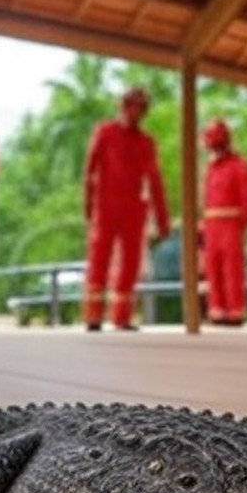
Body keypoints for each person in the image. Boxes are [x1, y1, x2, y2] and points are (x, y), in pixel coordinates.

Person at [82, 86, 170, 332]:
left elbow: (155, 181)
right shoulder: (105, 132)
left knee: (131, 262)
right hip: (106, 205)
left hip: (133, 208)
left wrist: (162, 219)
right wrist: (88, 204)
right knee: (99, 258)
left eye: (141, 108)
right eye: (132, 105)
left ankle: (121, 317)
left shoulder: (146, 142)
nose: (136, 112)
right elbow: (90, 170)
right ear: (122, 106)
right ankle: (93, 317)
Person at [201, 119, 247, 326]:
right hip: (211, 224)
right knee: (212, 267)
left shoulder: (240, 167)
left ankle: (235, 311)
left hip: (231, 223)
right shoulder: (211, 168)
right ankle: (217, 310)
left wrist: (242, 223)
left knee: (232, 267)